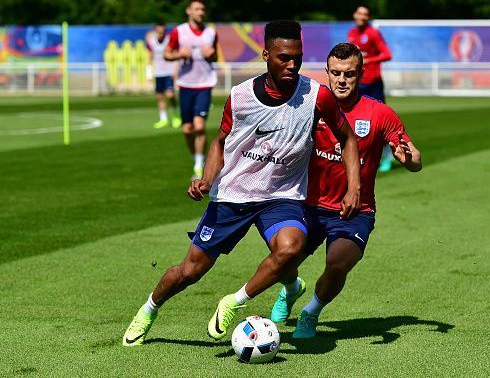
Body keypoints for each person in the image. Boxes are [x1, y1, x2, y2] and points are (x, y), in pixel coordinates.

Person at [122, 21, 361, 346]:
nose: (292, 64)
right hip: (233, 194)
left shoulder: (318, 96)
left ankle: (233, 302)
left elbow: (347, 137)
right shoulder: (240, 97)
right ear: (266, 55)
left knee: (291, 247)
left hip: (282, 196)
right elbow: (220, 142)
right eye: (284, 57)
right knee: (190, 271)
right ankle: (148, 310)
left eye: (298, 58)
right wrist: (206, 179)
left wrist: (353, 187)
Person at [269, 43, 422, 339]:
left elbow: (415, 160)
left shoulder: (380, 113)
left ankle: (310, 313)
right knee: (281, 258)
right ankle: (291, 288)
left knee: (337, 262)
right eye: (336, 73)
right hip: (307, 205)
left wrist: (409, 159)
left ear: (361, 74)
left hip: (355, 211)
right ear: (327, 73)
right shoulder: (309, 107)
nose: (341, 80)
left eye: (349, 74)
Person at [164, 0, 218, 179]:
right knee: (187, 129)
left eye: (202, 9)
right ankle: (196, 156)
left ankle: (199, 165)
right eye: (197, 9)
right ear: (188, 11)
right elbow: (166, 54)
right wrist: (178, 54)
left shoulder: (211, 33)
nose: (200, 12)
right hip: (186, 84)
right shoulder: (178, 32)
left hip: (205, 84)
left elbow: (215, 57)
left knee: (199, 126)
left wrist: (212, 55)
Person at [347, 5, 394, 171]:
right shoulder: (351, 34)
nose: (362, 16)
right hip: (357, 84)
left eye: (365, 14)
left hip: (373, 83)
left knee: (380, 123)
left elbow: (387, 54)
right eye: (359, 13)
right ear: (354, 14)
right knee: (353, 122)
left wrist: (368, 61)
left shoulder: (373, 33)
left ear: (368, 17)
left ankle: (387, 157)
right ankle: (359, 158)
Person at [147, 22, 180, 130]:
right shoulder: (152, 42)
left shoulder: (169, 40)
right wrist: (148, 73)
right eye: (158, 32)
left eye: (162, 32)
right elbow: (150, 57)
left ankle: (176, 116)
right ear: (156, 31)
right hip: (158, 73)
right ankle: (163, 119)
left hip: (169, 72)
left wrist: (175, 70)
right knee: (159, 97)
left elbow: (175, 54)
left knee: (170, 95)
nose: (161, 34)